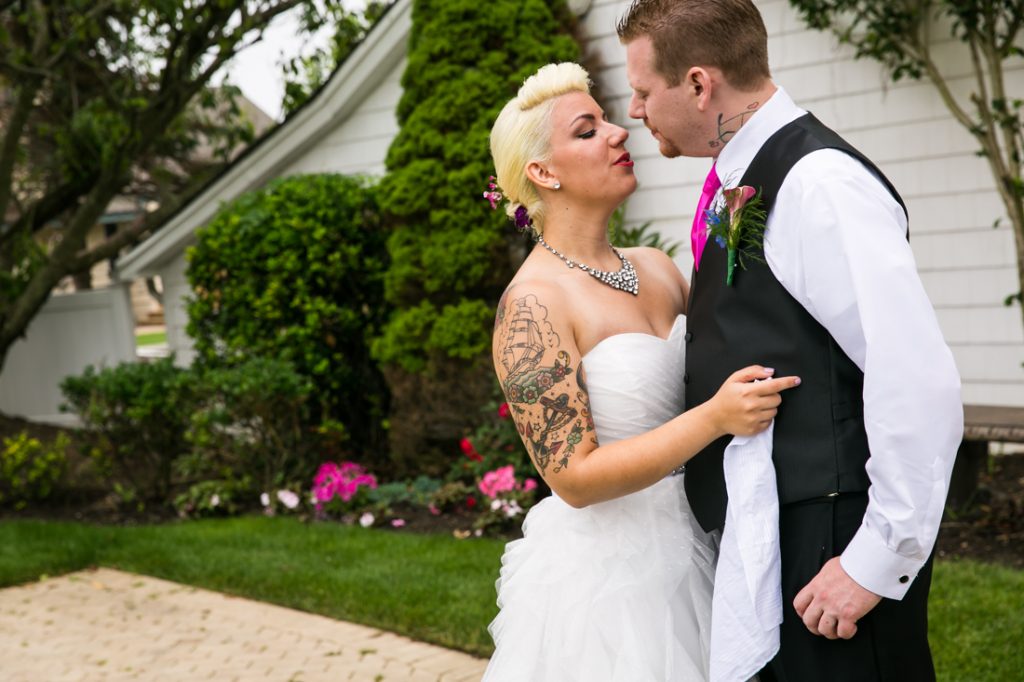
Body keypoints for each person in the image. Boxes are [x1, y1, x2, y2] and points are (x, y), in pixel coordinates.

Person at [617, 1, 963, 680]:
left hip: (832, 545)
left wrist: (873, 561)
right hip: (772, 528)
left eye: (641, 90)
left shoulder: (818, 184)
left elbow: (916, 380)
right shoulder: (740, 178)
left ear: (697, 84)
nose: (632, 110)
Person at [481, 62, 800, 682]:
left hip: (707, 536)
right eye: (586, 130)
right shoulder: (533, 306)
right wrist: (714, 419)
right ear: (542, 173)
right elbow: (573, 477)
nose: (618, 131)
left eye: (604, 118)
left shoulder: (654, 266)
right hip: (611, 586)